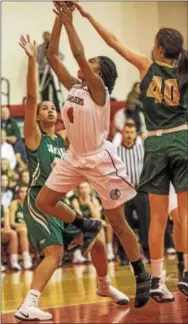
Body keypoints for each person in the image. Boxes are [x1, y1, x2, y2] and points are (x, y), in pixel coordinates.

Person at [36, 2, 150, 309]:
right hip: (74, 157)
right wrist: (59, 20)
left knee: (119, 222)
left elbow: (76, 55)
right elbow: (51, 55)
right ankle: (85, 224)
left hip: (100, 160)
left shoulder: (99, 91)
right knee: (44, 202)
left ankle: (141, 273)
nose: (86, 65)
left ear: (99, 72)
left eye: (92, 64)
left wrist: (71, 22)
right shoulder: (75, 87)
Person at [76, 2, 188, 302]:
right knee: (186, 214)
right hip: (182, 140)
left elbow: (113, 40)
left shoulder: (145, 66)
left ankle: (156, 280)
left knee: (157, 219)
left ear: (160, 50)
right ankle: (187, 273)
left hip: (154, 143)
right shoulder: (184, 71)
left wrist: (88, 16)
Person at [14, 33, 129, 322]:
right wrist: (31, 61)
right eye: (45, 108)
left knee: (97, 239)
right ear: (38, 118)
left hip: (59, 204)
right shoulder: (34, 136)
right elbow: (30, 99)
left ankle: (104, 285)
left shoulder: (65, 139)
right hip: (39, 202)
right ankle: (29, 304)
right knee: (54, 253)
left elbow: (86, 148)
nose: (50, 109)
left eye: (53, 107)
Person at [117, 122, 150, 262]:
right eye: (126, 132)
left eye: (131, 132)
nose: (129, 135)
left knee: (146, 223)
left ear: (135, 134)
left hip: (140, 190)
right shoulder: (116, 150)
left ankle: (148, 253)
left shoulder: (141, 149)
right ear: (122, 134)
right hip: (123, 192)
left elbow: (148, 168)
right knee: (124, 224)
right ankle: (124, 256)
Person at [37, 31, 64, 111]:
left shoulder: (55, 46)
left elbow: (62, 57)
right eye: (46, 39)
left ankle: (57, 109)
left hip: (54, 72)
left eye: (49, 38)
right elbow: (38, 60)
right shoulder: (40, 47)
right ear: (44, 39)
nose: (47, 40)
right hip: (43, 72)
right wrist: (46, 58)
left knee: (56, 90)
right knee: (44, 91)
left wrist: (54, 56)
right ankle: (44, 108)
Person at [10, 186, 33, 270]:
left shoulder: (31, 204)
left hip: (30, 228)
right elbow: (12, 223)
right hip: (18, 227)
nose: (24, 194)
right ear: (18, 194)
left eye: (25, 192)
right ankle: (26, 259)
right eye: (21, 192)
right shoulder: (14, 204)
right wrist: (25, 226)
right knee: (24, 230)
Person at [1, 204, 21, 271]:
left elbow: (7, 226)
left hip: (2, 234)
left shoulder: (4, 209)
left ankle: (14, 262)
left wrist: (5, 227)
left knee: (13, 233)